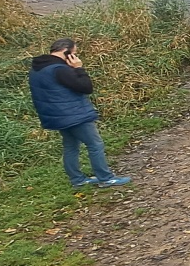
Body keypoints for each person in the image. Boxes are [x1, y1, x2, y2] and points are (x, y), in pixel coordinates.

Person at [28, 38, 131, 189]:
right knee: (95, 144)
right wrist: (78, 68)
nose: (76, 56)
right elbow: (86, 87)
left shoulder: (37, 69)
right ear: (67, 52)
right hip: (73, 114)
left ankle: (77, 180)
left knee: (71, 146)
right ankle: (106, 178)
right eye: (74, 53)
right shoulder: (60, 69)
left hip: (56, 115)